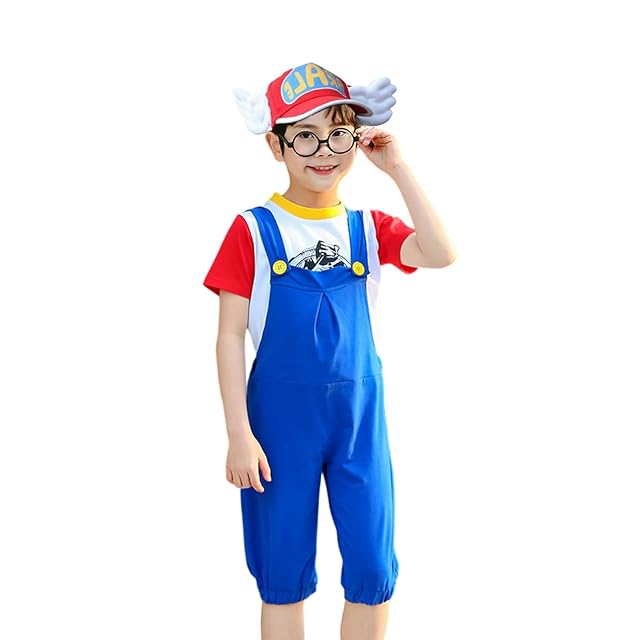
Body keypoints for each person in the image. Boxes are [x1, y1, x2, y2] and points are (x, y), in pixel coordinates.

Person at [203, 62, 457, 640]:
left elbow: (441, 252)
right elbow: (228, 336)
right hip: (277, 425)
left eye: (338, 134)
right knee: (282, 568)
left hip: (358, 421)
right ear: (276, 145)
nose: (324, 150)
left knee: (371, 563)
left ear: (356, 140)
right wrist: (238, 433)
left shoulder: (367, 228)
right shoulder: (252, 230)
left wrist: (398, 168)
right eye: (306, 136)